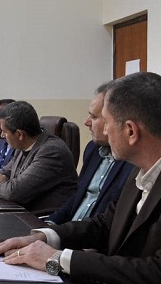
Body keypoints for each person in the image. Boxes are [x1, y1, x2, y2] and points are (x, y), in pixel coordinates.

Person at [0, 72, 161, 284]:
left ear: (130, 131)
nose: (102, 130)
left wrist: (59, 259)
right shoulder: (144, 165)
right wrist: (44, 236)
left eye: (106, 122)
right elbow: (105, 223)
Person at [46, 82, 134, 224]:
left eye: (94, 117)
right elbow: (77, 196)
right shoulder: (92, 149)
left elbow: (110, 222)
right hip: (70, 229)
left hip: (90, 235)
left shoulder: (132, 160)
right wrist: (50, 225)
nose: (86, 122)